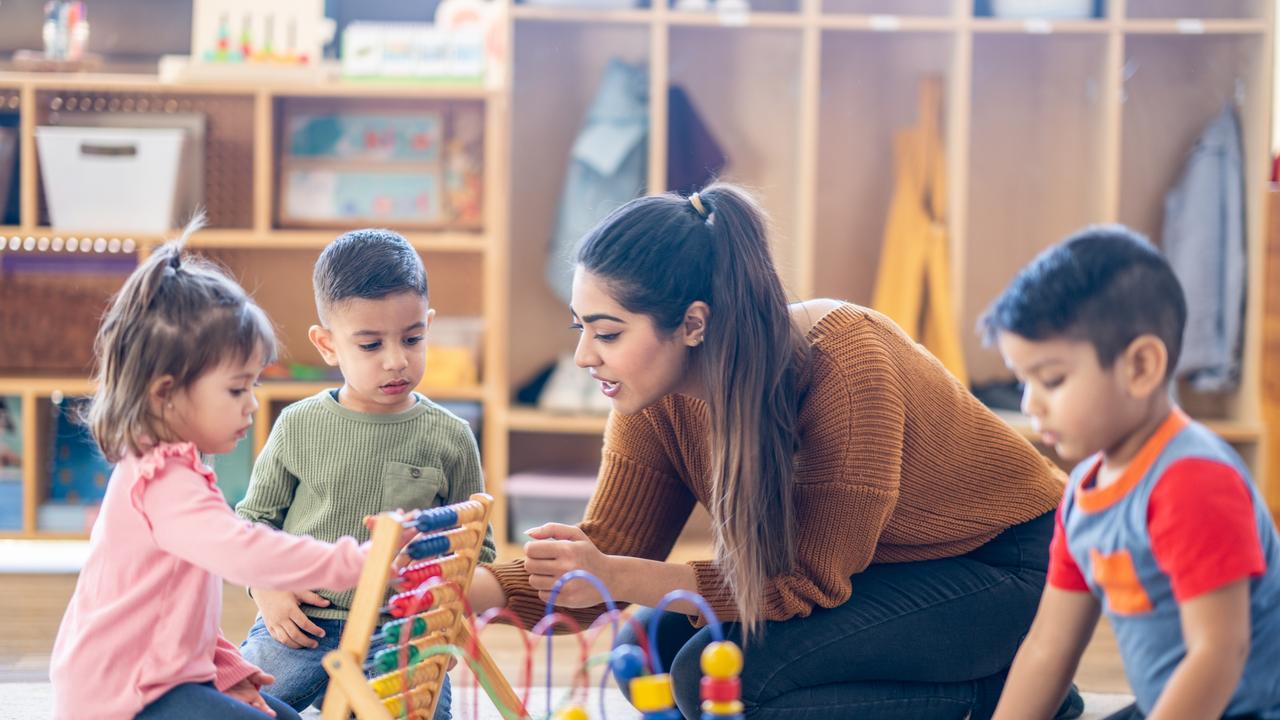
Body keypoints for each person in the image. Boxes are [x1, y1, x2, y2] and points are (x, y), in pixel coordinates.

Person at [469, 184, 1080, 719]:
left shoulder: (846, 365)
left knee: (713, 680)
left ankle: (1005, 693)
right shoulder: (650, 395)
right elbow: (611, 555)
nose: (584, 357)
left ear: (693, 324)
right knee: (647, 651)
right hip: (883, 567)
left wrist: (616, 574)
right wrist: (472, 591)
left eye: (608, 334)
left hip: (1012, 566)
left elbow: (804, 580)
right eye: (583, 330)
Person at [50, 218, 377, 720]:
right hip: (126, 697)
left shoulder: (169, 468)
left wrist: (227, 671)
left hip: (162, 678)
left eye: (253, 387)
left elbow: (173, 612)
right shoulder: (163, 481)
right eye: (235, 389)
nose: (251, 406)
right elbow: (246, 554)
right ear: (165, 392)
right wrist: (359, 562)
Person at [987, 226, 1280, 720]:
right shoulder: (1084, 494)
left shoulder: (1193, 481)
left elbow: (1218, 654)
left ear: (1141, 367)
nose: (1029, 404)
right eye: (1023, 380)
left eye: (1051, 380)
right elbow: (1048, 648)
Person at [236, 228, 495, 717]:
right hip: (302, 625)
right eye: (371, 345)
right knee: (231, 704)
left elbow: (478, 547)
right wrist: (265, 588)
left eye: (413, 338)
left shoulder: (452, 436)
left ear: (428, 325)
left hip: (401, 634)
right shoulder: (298, 424)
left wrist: (437, 609)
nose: (396, 360)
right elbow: (251, 524)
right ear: (328, 344)